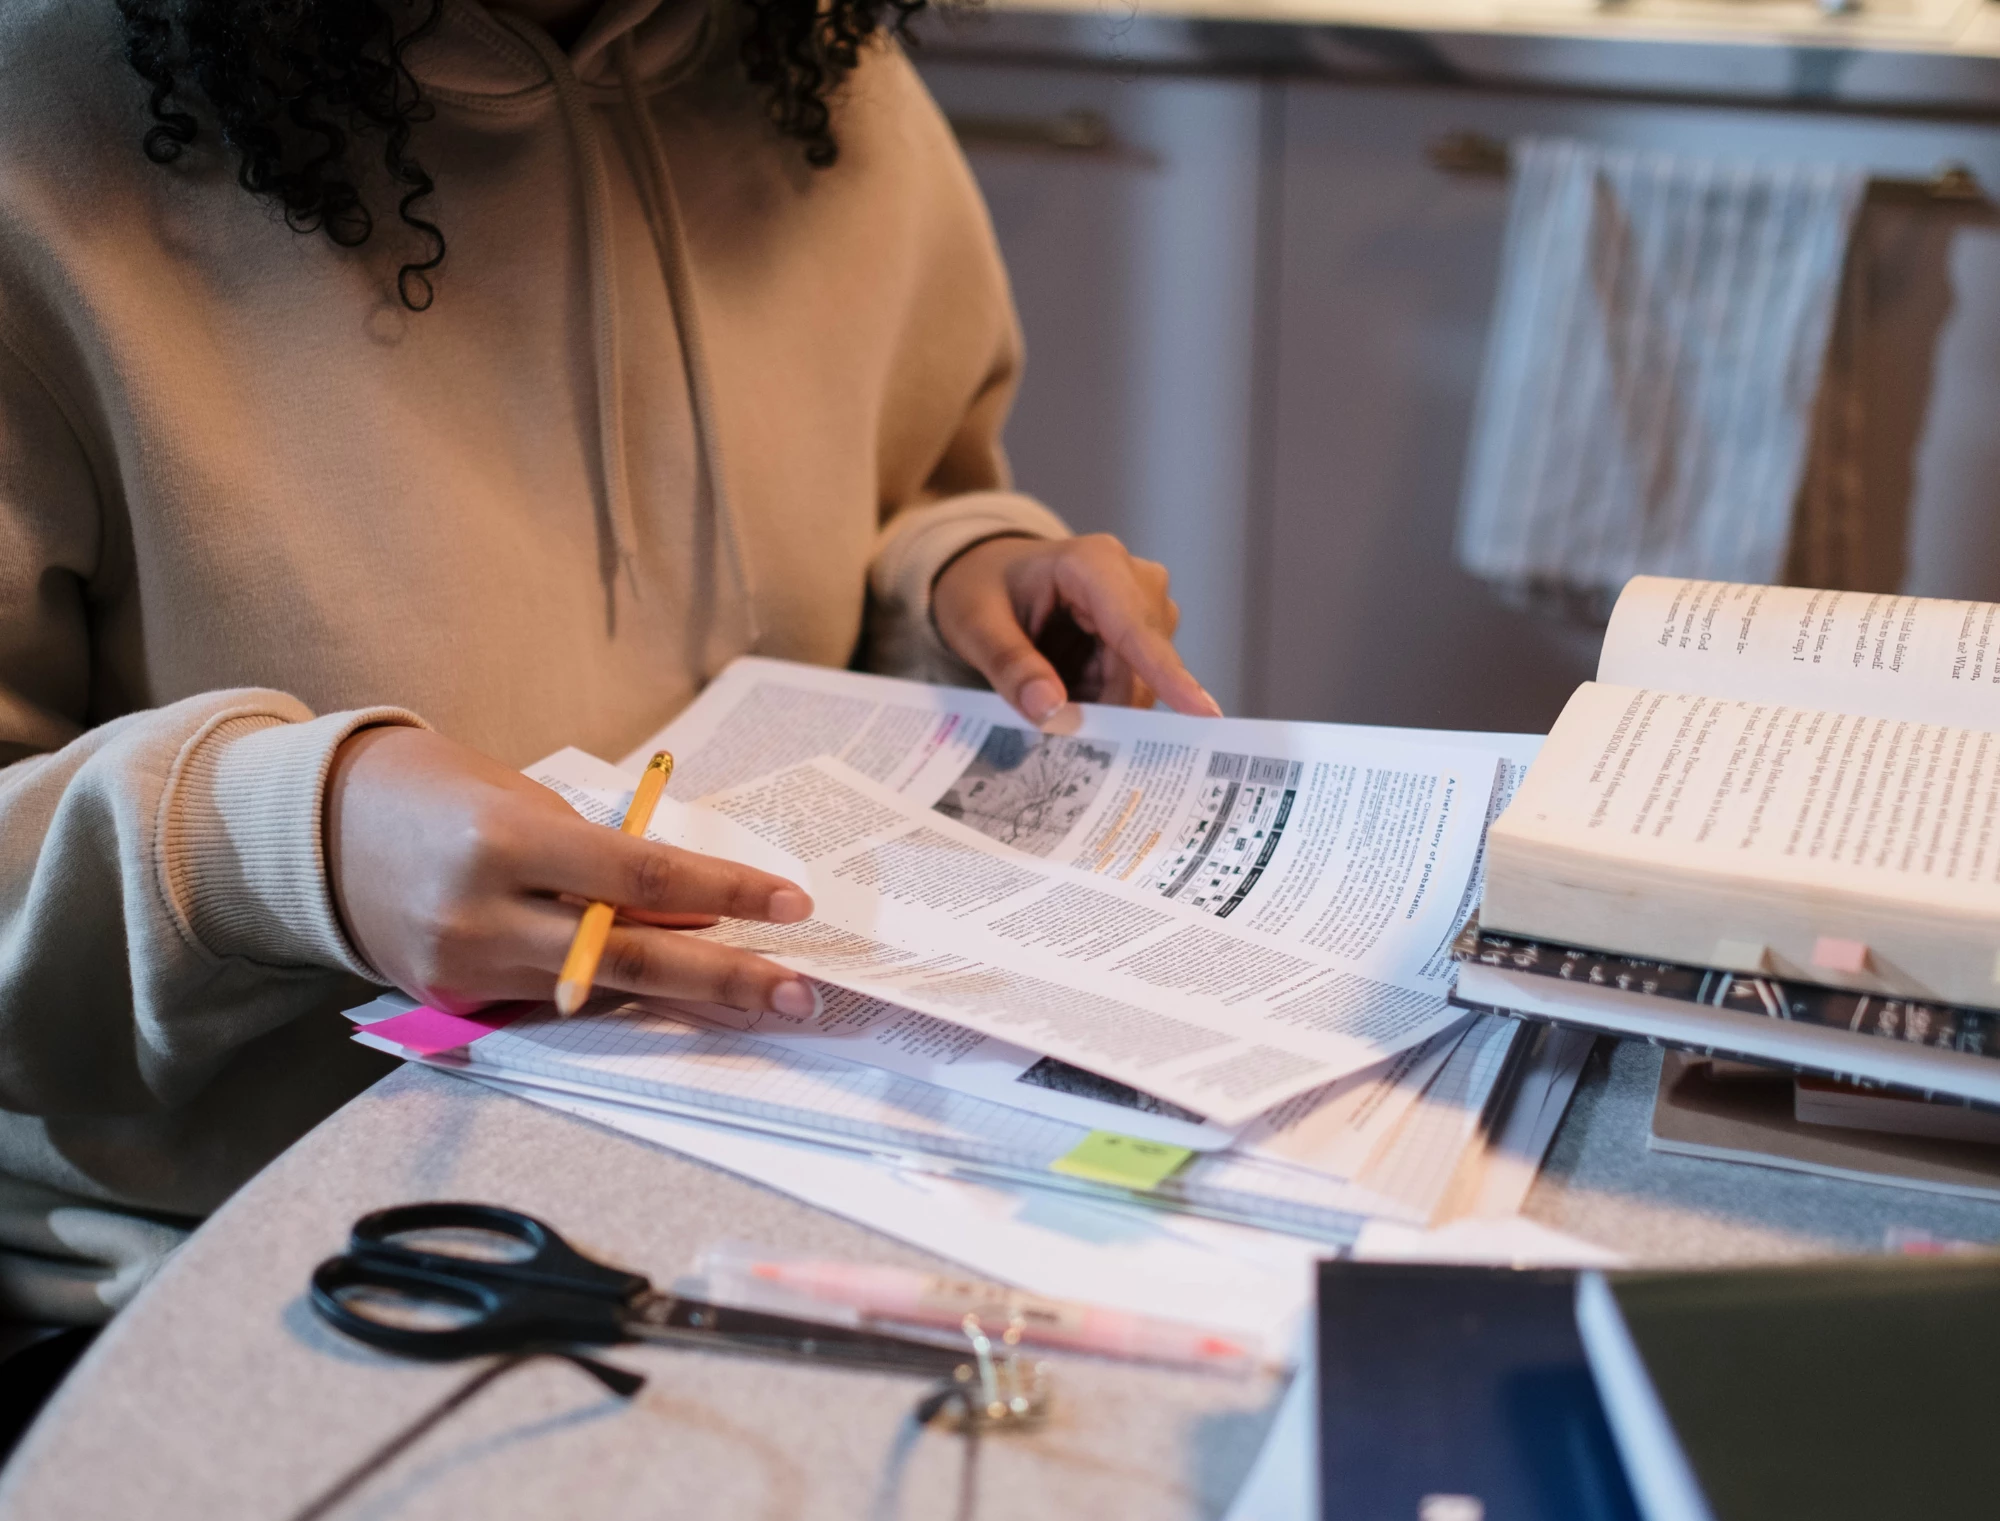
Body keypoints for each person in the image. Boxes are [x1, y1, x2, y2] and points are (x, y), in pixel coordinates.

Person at [0, 0, 1215, 1328]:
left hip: (782, 1147)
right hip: (265, 1262)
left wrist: (959, 579)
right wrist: (282, 847)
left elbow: (896, 491)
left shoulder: (812, 63)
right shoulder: (37, 133)